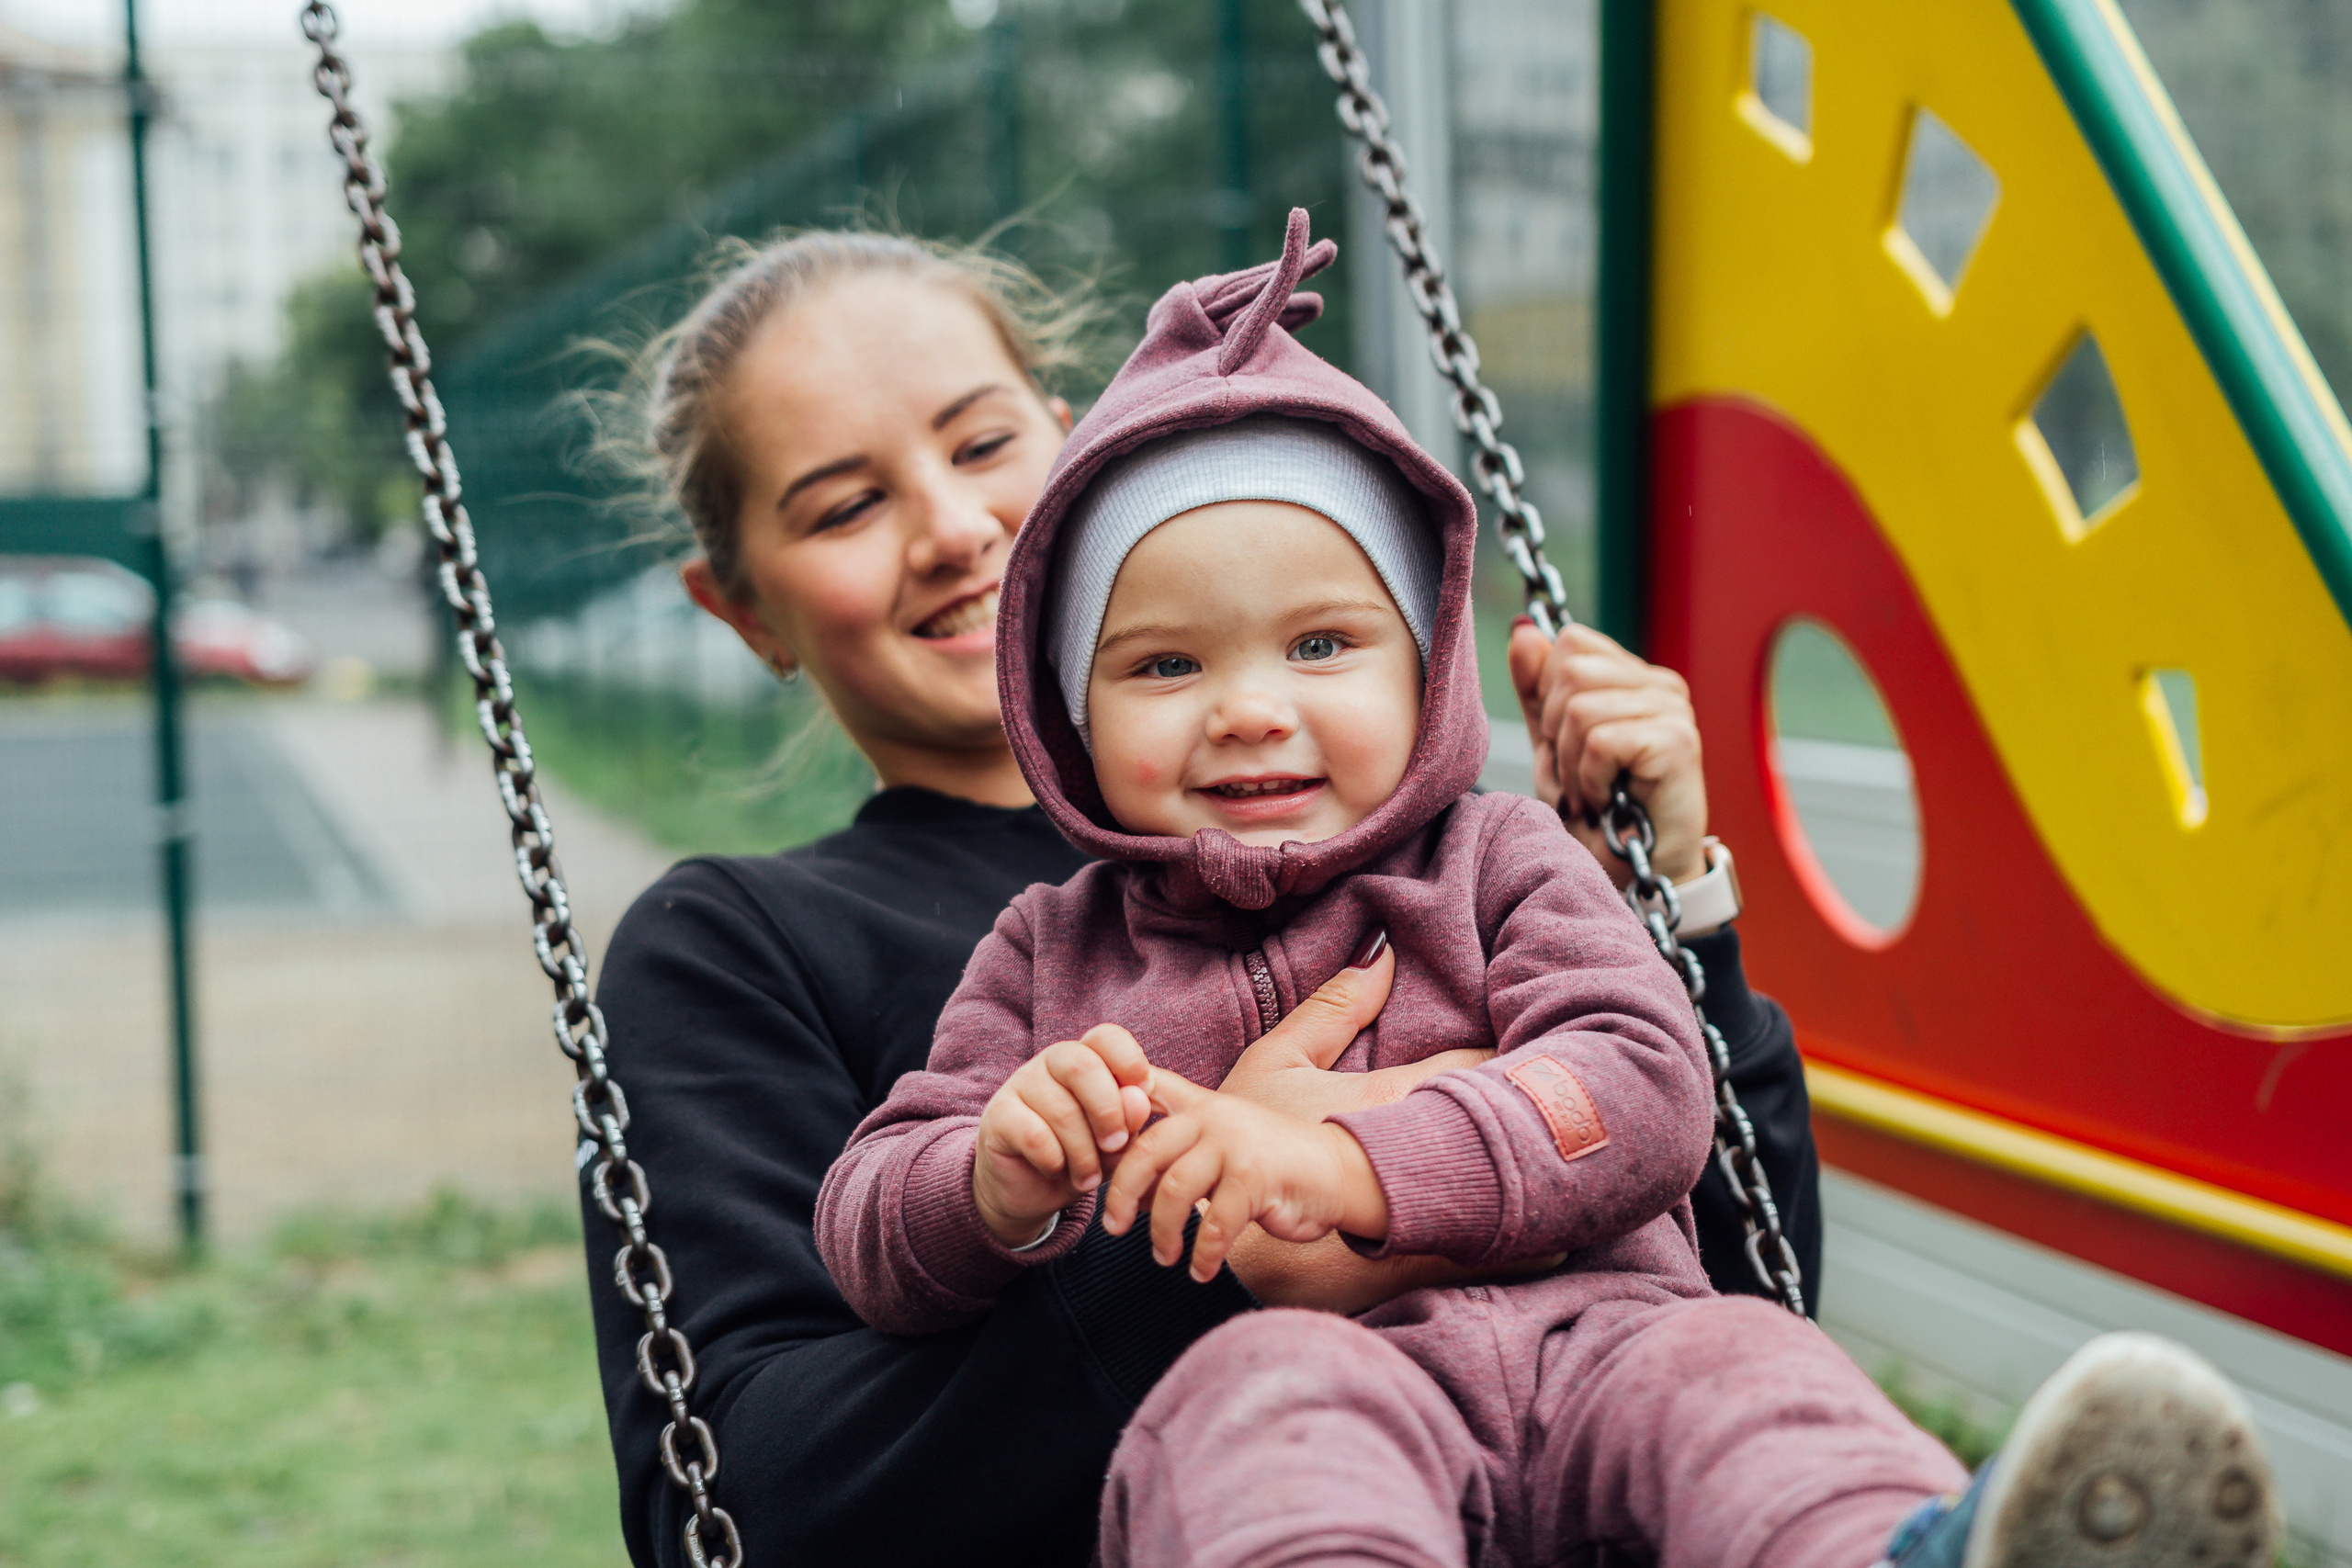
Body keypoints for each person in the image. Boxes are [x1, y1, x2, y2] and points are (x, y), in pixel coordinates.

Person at [817, 210, 2281, 1568]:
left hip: (1608, 1332)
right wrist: (993, 1181)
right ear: (1074, 713)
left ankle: (1900, 1554)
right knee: (1252, 1414)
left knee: (1748, 1381)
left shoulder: (1502, 859)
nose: (1250, 709)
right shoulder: (1048, 950)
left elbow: (1644, 1084)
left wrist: (1354, 1167)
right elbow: (873, 1219)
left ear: (1427, 667)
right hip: (1333, 1375)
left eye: (1322, 646)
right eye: (1164, 665)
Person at [582, 223, 1818, 1568]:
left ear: (1077, 447)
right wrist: (1232, 1204)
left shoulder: (1441, 842)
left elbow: (1759, 1294)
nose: (950, 526)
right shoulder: (744, 951)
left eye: (985, 444)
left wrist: (1673, 908)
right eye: (844, 506)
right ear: (742, 608)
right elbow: (744, 1506)